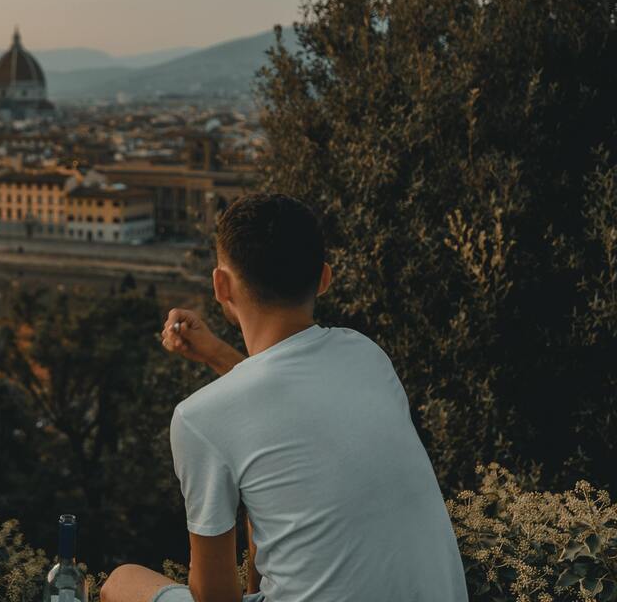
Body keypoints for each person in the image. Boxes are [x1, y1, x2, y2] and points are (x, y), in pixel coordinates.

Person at [100, 193, 469, 602]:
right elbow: (285, 416)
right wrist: (217, 354)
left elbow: (215, 598)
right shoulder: (366, 354)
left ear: (220, 285)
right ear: (325, 278)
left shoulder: (198, 418)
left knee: (122, 582)